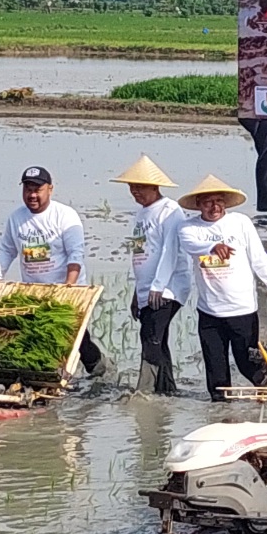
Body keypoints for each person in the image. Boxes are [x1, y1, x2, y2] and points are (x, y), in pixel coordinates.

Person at [174, 174, 267, 401]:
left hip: (242, 309)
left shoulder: (240, 223)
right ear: (198, 205)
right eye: (207, 202)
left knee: (248, 363)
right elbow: (191, 245)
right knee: (216, 372)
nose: (214, 207)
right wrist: (213, 246)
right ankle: (221, 413)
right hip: (210, 311)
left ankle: (264, 392)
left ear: (225, 203)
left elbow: (259, 258)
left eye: (219, 201)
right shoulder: (189, 228)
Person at [0, 166, 104, 377]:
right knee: (38, 337)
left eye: (37, 189)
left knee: (75, 338)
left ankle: (99, 369)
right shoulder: (16, 219)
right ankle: (47, 377)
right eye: (27, 189)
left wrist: (68, 287)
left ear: (50, 189)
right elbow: (7, 250)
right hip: (35, 291)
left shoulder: (65, 216)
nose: (32, 195)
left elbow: (75, 255)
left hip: (68, 290)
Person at [114, 155, 192, 396]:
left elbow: (171, 251)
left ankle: (144, 391)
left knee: (151, 337)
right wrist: (139, 294)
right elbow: (141, 254)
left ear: (154, 186)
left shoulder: (170, 211)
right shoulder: (141, 214)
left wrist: (158, 286)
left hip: (168, 287)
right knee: (158, 338)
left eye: (140, 187)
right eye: (132, 187)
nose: (135, 192)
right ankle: (166, 389)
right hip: (149, 288)